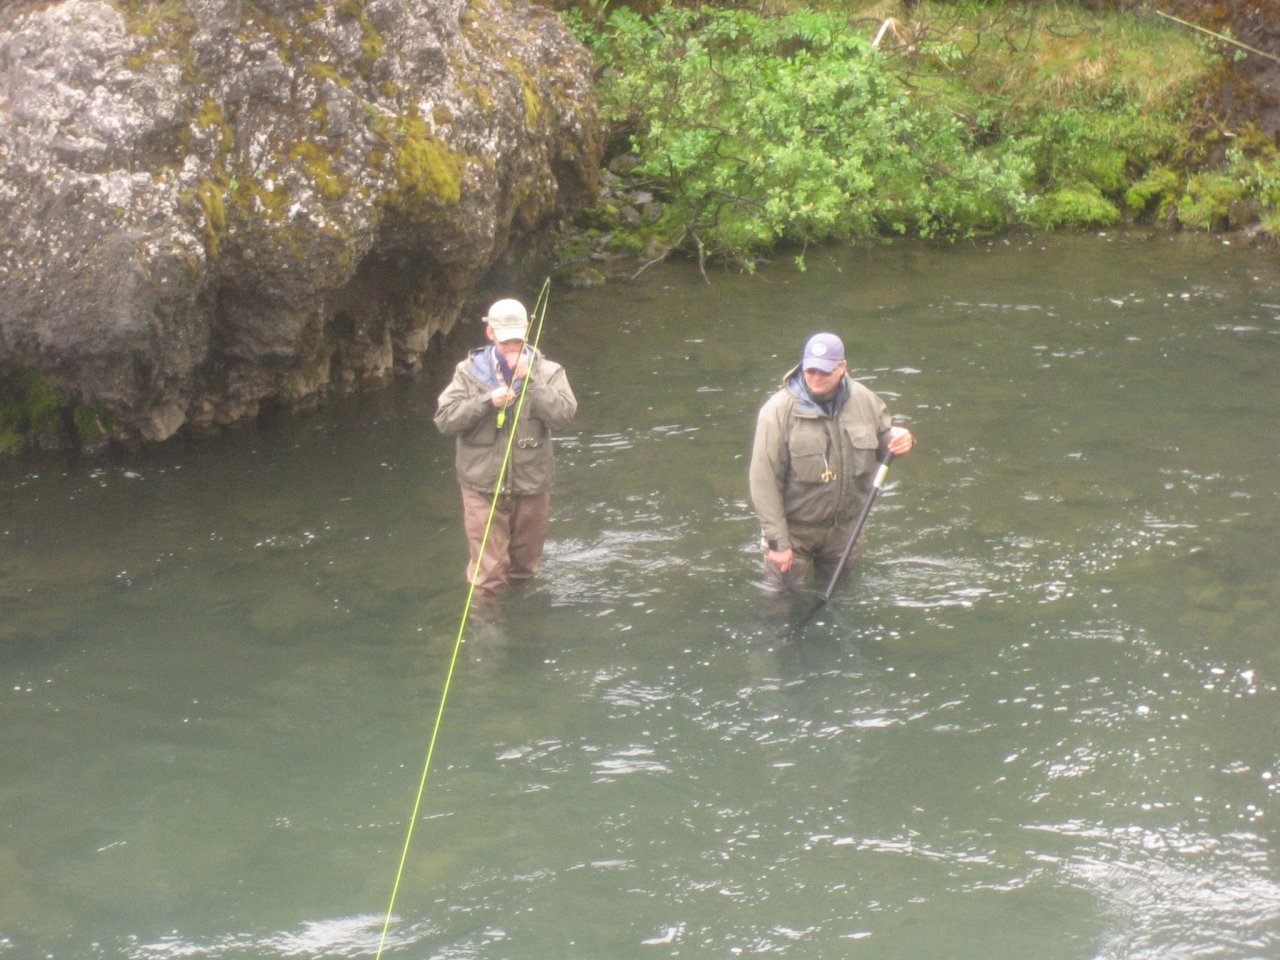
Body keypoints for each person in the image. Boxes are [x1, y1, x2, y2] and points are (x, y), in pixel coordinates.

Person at [749, 332, 914, 596]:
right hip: (795, 533)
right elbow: (763, 480)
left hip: (845, 531)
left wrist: (900, 439)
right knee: (780, 605)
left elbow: (886, 439)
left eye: (824, 371)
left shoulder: (865, 400)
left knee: (841, 601)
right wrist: (777, 543)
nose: (815, 376)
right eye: (810, 369)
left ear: (842, 368)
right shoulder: (778, 411)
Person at [434, 297, 577, 596]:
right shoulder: (468, 372)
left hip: (532, 484)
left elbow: (564, 416)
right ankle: (487, 632)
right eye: (505, 342)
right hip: (482, 485)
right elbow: (445, 421)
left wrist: (531, 383)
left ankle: (523, 623)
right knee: (488, 576)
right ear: (490, 335)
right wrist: (486, 402)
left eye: (517, 341)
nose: (512, 348)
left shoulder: (549, 372)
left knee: (524, 569)